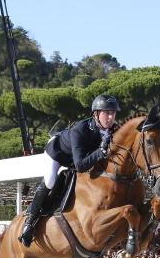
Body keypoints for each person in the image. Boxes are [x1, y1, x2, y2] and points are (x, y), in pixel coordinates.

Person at [18, 94, 120, 247]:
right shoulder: (80, 129)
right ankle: (30, 221)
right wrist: (100, 152)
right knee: (51, 180)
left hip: (79, 158)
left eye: (113, 113)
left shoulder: (114, 129)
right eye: (107, 113)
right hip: (58, 154)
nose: (111, 117)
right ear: (96, 114)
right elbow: (80, 165)